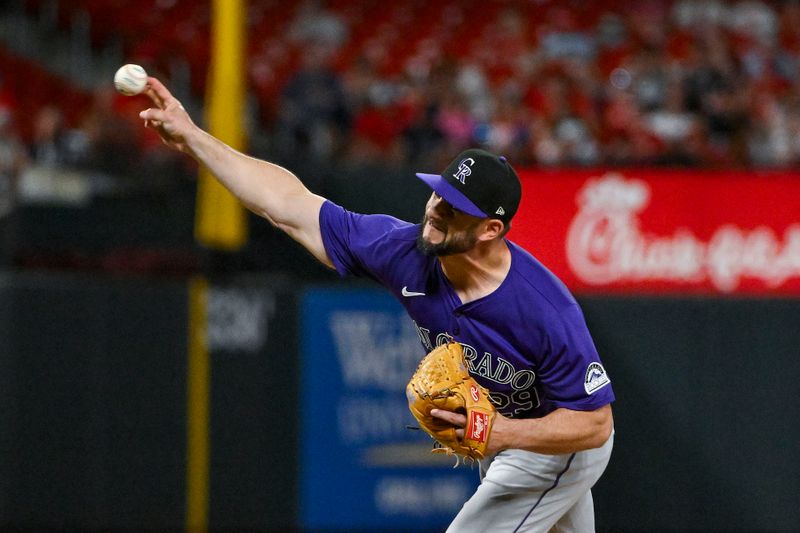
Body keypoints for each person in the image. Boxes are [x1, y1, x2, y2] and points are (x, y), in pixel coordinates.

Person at [139, 77, 615, 532]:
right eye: (437, 192)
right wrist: (195, 138)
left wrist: (504, 435)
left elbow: (595, 422)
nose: (434, 210)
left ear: (490, 230)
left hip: (555, 442)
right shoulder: (402, 249)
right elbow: (287, 205)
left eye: (454, 207)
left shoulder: (543, 308)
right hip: (505, 435)